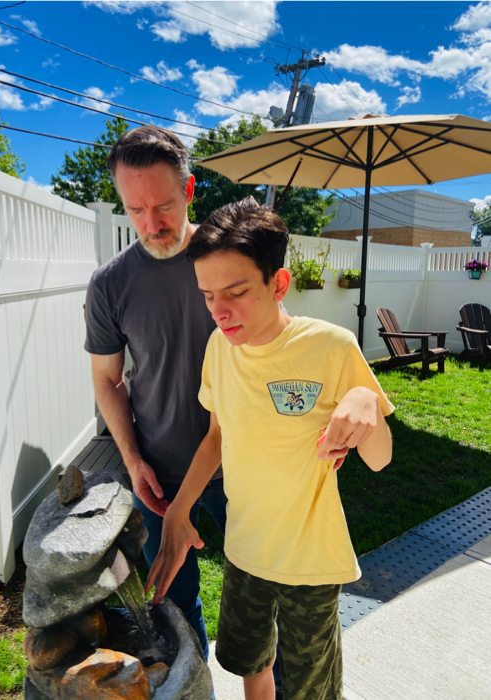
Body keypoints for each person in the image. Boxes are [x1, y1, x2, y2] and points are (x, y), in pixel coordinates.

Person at [145, 198, 394, 700]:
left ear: (277, 284)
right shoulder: (220, 348)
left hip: (311, 561)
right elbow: (217, 437)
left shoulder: (331, 346)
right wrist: (179, 510)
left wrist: (365, 398)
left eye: (235, 292)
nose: (219, 311)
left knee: (309, 687)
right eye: (208, 295)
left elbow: (380, 458)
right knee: (247, 660)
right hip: (243, 550)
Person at [83, 125, 228, 661]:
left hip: (244, 464)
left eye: (163, 206)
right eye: (134, 210)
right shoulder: (109, 283)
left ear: (189, 191)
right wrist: (132, 459)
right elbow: (106, 379)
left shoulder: (229, 260)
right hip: (159, 472)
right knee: (174, 601)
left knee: (264, 591)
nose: (150, 224)